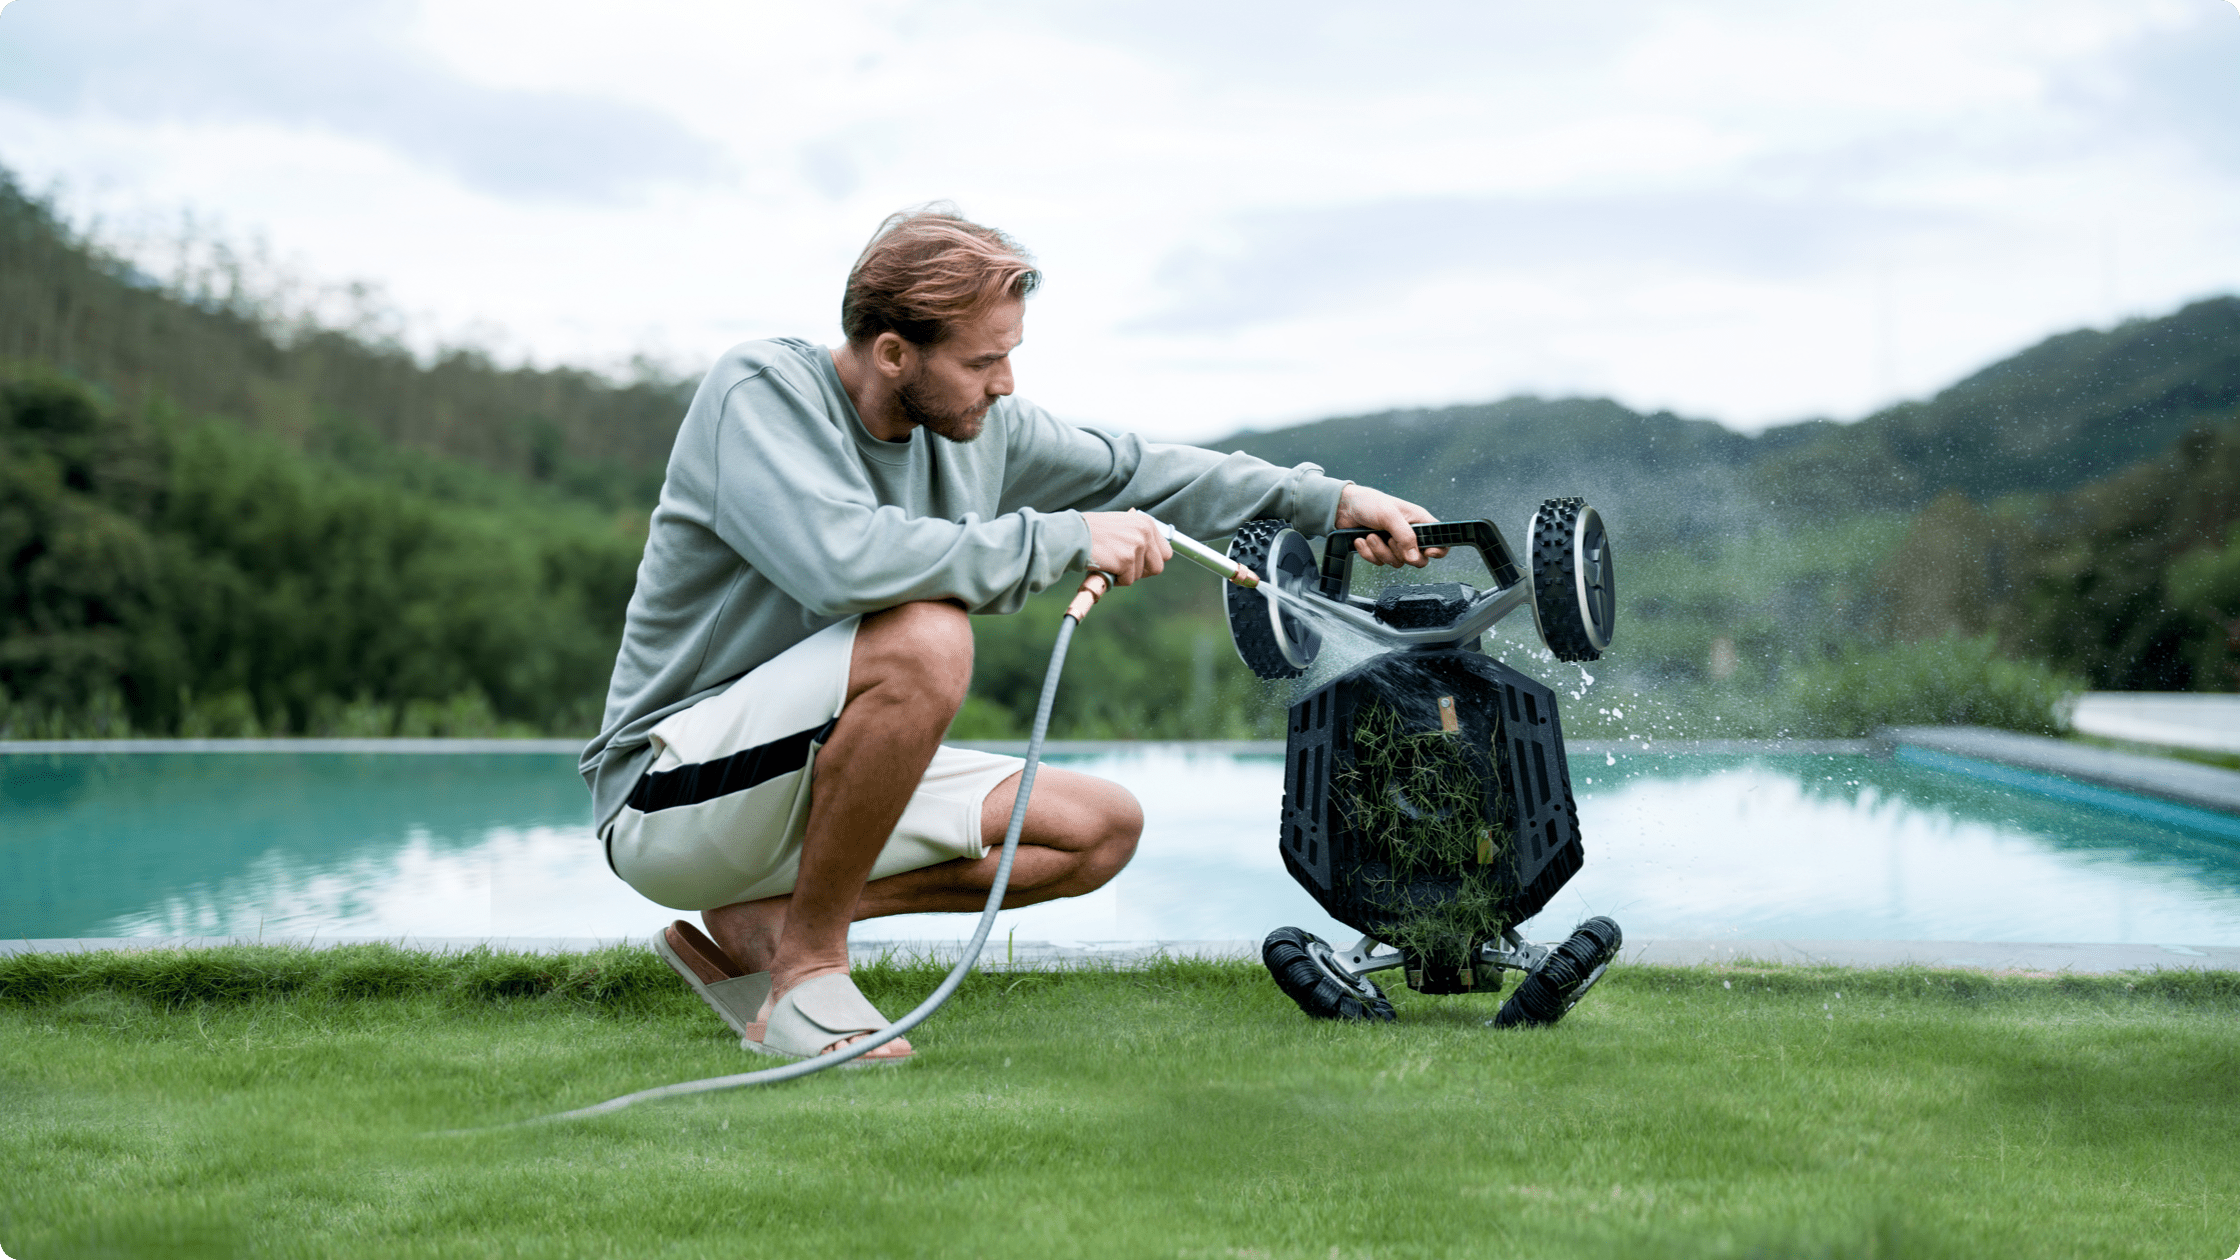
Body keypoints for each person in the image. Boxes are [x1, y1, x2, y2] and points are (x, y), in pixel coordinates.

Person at [580, 206, 1441, 1064]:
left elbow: (1144, 469)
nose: (1005, 385)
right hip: (670, 786)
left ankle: (775, 924)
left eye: (1010, 356)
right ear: (892, 353)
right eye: (984, 360)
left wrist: (1330, 501)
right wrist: (1066, 539)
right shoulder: (761, 392)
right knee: (928, 637)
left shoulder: (983, 431)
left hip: (802, 774)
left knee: (1098, 827)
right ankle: (809, 971)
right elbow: (841, 560)